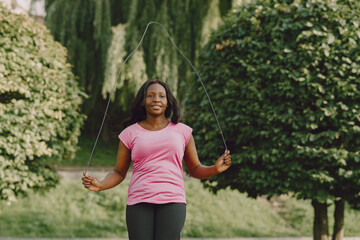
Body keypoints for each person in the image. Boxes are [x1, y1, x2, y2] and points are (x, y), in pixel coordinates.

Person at [82, 79, 231, 240]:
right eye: (150, 96)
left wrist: (214, 169)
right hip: (139, 201)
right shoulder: (129, 133)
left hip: (173, 200)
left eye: (161, 96)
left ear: (168, 102)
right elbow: (119, 171)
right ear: (142, 102)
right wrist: (101, 185)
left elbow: (194, 169)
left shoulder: (183, 132)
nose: (156, 100)